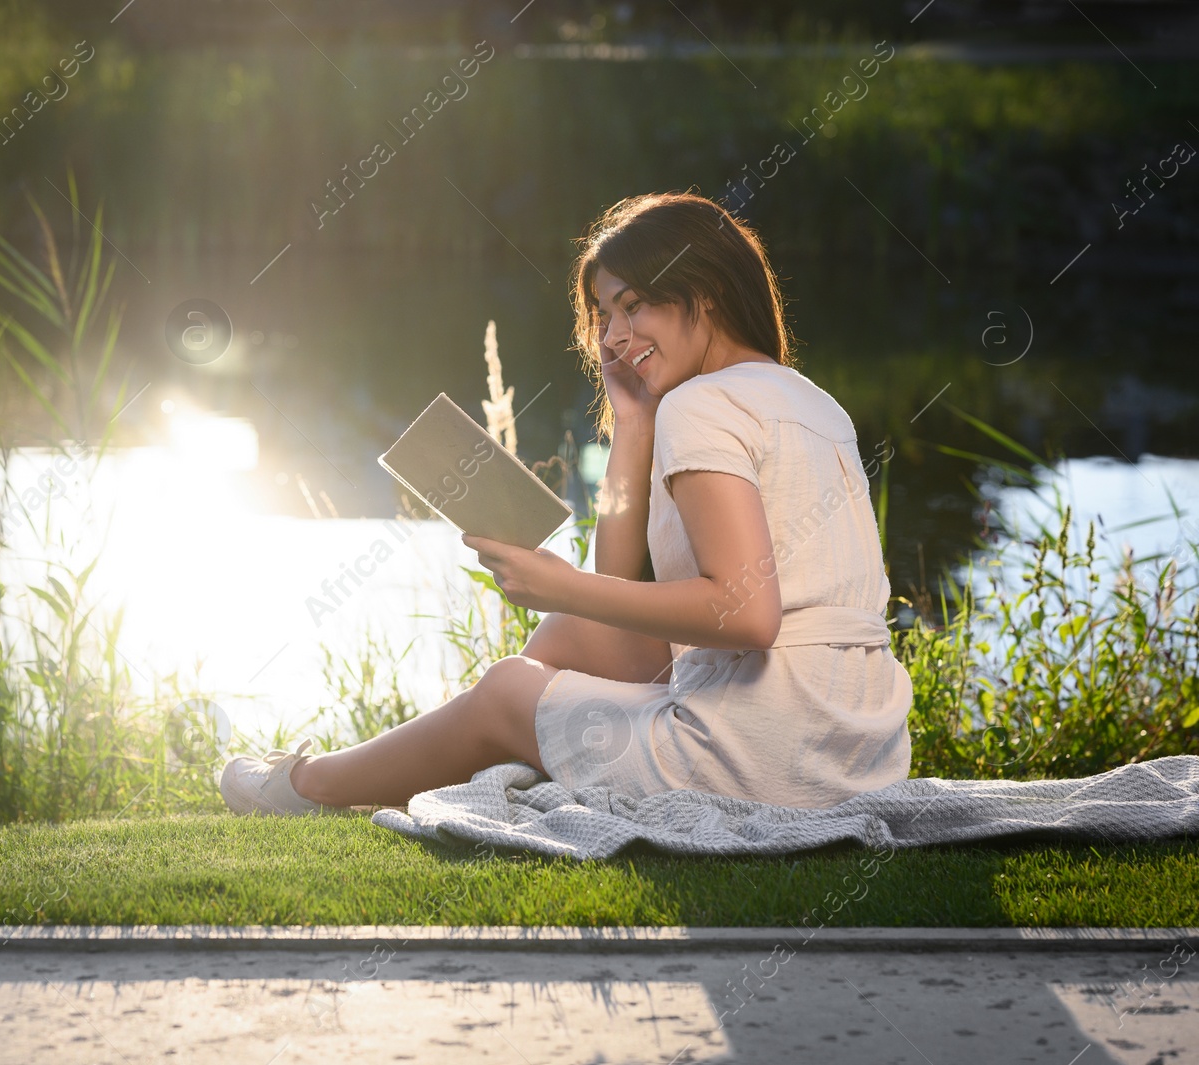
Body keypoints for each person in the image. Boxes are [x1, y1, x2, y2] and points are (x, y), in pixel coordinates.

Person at [219, 190, 912, 816]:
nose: (611, 336)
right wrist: (634, 425)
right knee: (569, 638)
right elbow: (613, 597)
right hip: (859, 753)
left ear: (704, 292)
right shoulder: (810, 400)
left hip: (759, 758)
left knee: (505, 688)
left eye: (633, 305)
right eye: (605, 314)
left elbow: (746, 611)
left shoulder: (703, 407)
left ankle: (308, 784)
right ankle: (508, 748)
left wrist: (563, 583)